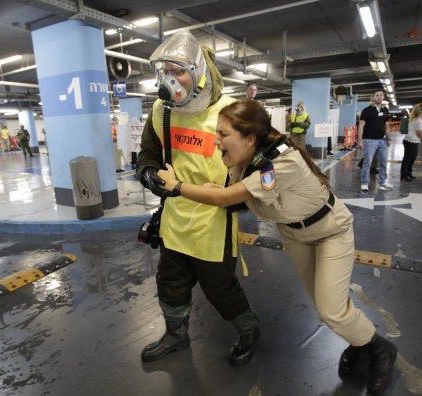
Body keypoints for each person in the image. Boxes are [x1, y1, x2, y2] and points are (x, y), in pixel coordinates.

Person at [156, 100, 398, 395]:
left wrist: (175, 186)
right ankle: (361, 342)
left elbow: (227, 198)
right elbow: (238, 196)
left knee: (332, 310)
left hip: (330, 232)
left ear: (249, 138)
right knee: (327, 309)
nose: (216, 140)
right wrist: (220, 191)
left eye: (223, 133)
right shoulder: (244, 163)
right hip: (295, 236)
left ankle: (380, 349)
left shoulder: (283, 163)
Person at [135, 30, 260, 367]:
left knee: (220, 289)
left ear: (199, 72)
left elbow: (258, 173)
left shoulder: (233, 114)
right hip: (175, 218)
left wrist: (238, 199)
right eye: (166, 72)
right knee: (170, 282)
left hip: (214, 222)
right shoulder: (162, 110)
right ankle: (176, 335)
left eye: (178, 71)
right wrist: (148, 174)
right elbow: (148, 152)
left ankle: (249, 330)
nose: (171, 80)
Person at [358, 90, 393, 192]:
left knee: (383, 162)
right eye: (377, 95)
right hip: (369, 140)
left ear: (383, 97)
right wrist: (360, 140)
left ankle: (382, 181)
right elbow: (361, 126)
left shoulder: (385, 110)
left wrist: (389, 138)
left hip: (382, 140)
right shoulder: (366, 111)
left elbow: (386, 126)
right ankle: (364, 183)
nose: (379, 97)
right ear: (373, 98)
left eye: (381, 95)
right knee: (367, 163)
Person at [401, 103, 422, 181]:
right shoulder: (418, 120)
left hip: (410, 140)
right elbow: (419, 132)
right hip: (411, 141)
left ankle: (408, 173)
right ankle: (404, 175)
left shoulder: (414, 119)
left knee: (411, 158)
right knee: (408, 159)